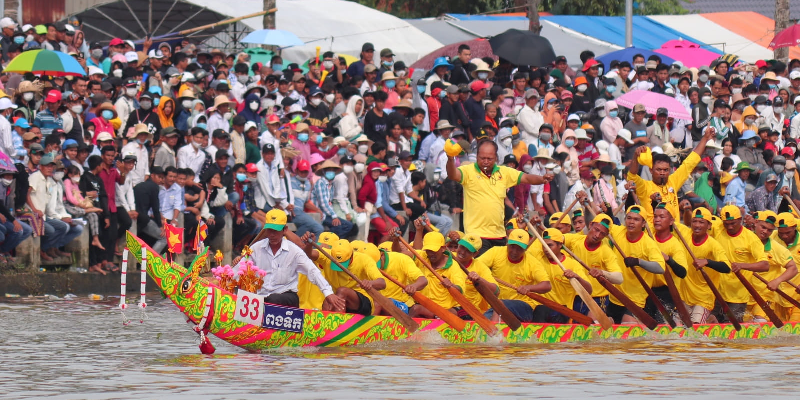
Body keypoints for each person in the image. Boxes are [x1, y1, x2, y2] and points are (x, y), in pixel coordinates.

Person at [446, 139, 553, 254]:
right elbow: (452, 175)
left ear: (496, 158)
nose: (486, 161)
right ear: (477, 156)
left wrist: (542, 179)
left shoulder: (504, 172)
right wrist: (451, 158)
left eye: (489, 159)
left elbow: (526, 178)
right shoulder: (468, 171)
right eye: (482, 158)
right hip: (476, 236)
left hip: (499, 235)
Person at [233, 209, 340, 309]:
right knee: (243, 296)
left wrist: (328, 293)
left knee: (272, 299)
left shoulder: (294, 251)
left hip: (286, 296)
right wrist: (224, 279)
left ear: (285, 230)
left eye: (276, 231)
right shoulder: (255, 248)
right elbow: (240, 268)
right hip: (260, 297)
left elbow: (312, 271)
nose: (272, 235)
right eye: (269, 230)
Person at [627, 126, 714, 223]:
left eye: (665, 170)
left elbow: (691, 160)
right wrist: (635, 156)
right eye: (659, 170)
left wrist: (705, 138)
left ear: (670, 170)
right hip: (653, 235)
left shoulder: (673, 181)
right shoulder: (644, 187)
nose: (662, 173)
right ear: (651, 170)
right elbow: (632, 176)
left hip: (674, 233)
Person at [606, 205, 666, 324]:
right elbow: (595, 226)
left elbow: (660, 268)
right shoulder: (618, 232)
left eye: (636, 219)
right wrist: (585, 205)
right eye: (629, 218)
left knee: (627, 329)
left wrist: (638, 262)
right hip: (614, 296)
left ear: (643, 223)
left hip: (635, 300)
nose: (631, 222)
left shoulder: (648, 244)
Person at [477, 229, 552, 322]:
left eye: (519, 249)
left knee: (499, 305)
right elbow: (476, 265)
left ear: (525, 249)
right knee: (496, 308)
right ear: (507, 243)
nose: (515, 252)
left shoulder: (532, 262)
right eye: (512, 247)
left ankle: (492, 333)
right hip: (495, 305)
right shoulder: (496, 252)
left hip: (524, 307)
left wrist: (529, 288)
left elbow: (547, 285)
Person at [714, 205, 769, 324]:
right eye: (726, 224)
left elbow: (765, 265)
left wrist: (742, 265)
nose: (729, 227)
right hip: (716, 292)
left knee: (730, 334)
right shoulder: (718, 229)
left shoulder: (751, 239)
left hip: (737, 297)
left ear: (741, 220)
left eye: (733, 223)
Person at [678, 207, 731, 324]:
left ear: (709, 226)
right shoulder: (684, 234)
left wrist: (707, 261)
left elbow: (727, 267)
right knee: (676, 328)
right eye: (694, 221)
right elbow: (669, 222)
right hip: (684, 295)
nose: (697, 225)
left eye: (701, 222)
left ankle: (707, 318)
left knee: (695, 330)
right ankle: (710, 320)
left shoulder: (713, 245)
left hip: (704, 297)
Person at [356, 240, 427, 316]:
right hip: (375, 302)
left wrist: (413, 287)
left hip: (401, 303)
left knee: (379, 302)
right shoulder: (361, 264)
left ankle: (369, 326)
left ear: (382, 254)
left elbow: (423, 280)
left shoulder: (401, 259)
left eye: (376, 265)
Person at [750, 210, 798, 323]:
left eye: (770, 230)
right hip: (741, 296)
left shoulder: (776, 247)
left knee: (760, 324)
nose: (765, 232)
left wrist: (777, 281)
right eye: (762, 227)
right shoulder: (744, 240)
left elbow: (793, 268)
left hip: (766, 297)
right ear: (756, 223)